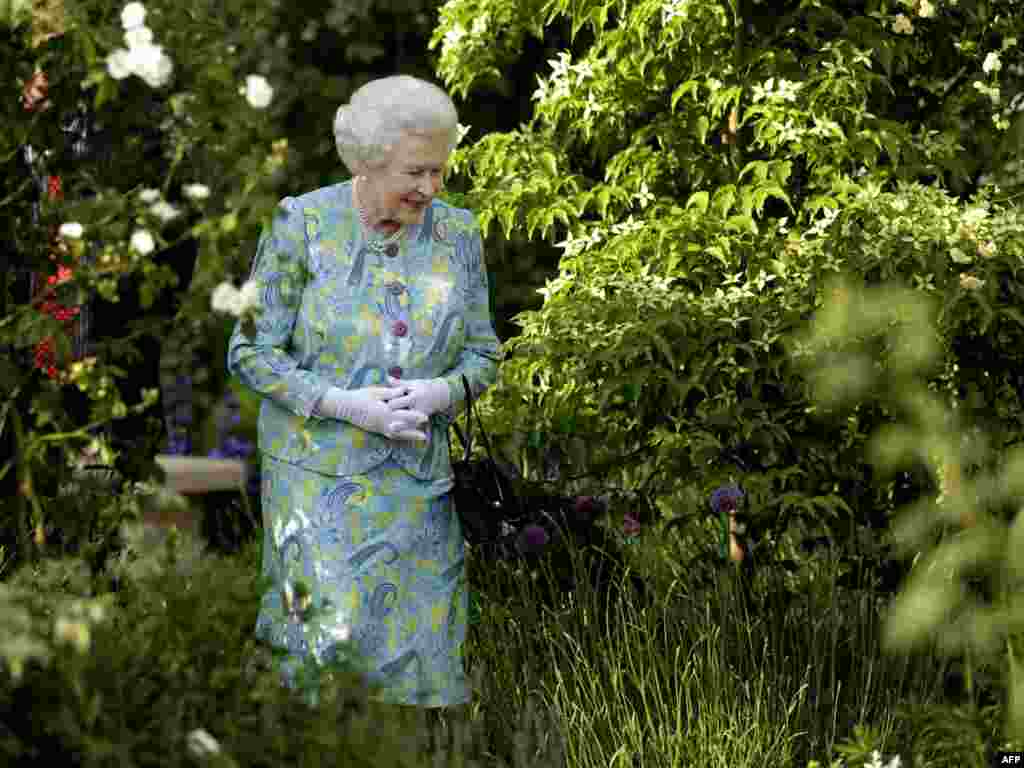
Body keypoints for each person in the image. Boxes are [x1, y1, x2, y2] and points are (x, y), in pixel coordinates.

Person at [227, 76, 502, 724]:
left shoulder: (458, 235)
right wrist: (347, 405)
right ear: (369, 159)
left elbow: (484, 355)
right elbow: (249, 351)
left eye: (440, 170)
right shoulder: (303, 225)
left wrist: (441, 392)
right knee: (322, 684)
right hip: (317, 490)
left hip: (418, 493)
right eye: (416, 170)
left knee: (423, 681)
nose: (430, 188)